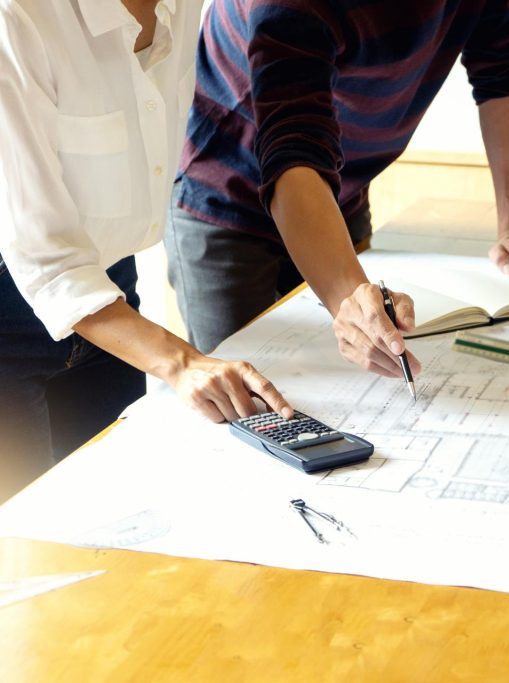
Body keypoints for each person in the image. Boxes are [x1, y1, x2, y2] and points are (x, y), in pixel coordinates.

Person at [166, 0, 509, 380]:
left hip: (337, 186)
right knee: (252, 393)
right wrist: (349, 298)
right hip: (222, 192)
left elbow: (504, 70)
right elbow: (293, 149)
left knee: (357, 373)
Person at [0, 0, 292, 503]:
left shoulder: (178, 9)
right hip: (12, 306)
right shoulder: (17, 19)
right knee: (27, 545)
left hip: (110, 294)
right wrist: (181, 363)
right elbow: (45, 257)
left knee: (120, 507)